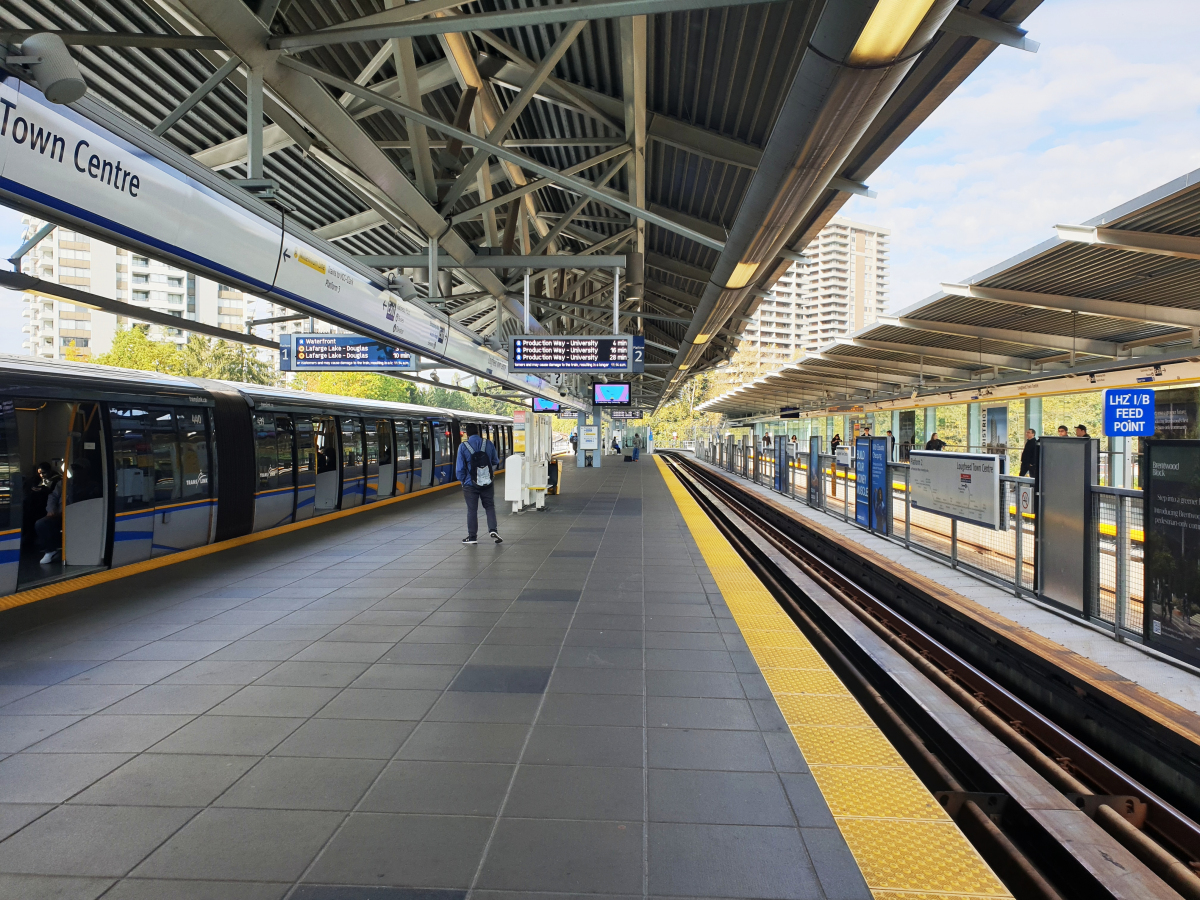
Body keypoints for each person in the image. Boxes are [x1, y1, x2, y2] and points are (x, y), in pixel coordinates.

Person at [455, 423, 501, 545]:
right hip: (487, 482)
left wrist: (463, 481)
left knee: (472, 510)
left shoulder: (463, 446)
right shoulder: (488, 444)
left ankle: (472, 537)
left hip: (470, 484)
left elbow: (460, 469)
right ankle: (493, 530)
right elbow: (496, 461)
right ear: (478, 432)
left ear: (467, 434)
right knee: (490, 506)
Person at [36, 464, 63, 564]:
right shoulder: (63, 483)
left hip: (75, 515)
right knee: (41, 523)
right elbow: (53, 496)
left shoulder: (91, 485)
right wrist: (51, 510)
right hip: (58, 514)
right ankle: (51, 550)